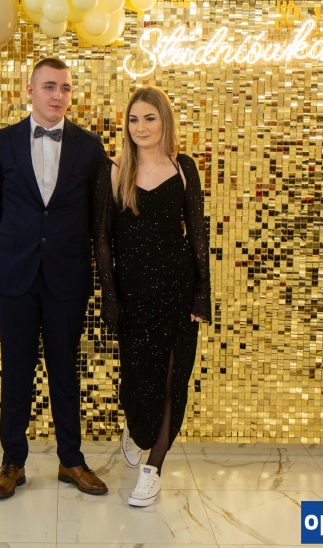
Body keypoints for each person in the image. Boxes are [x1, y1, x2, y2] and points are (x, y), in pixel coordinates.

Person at [0, 57, 108, 499]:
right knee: (16, 371)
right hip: (15, 275)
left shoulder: (89, 147)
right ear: (29, 91)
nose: (58, 95)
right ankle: (12, 462)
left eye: (65, 88)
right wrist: (22, 240)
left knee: (65, 371)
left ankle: (72, 460)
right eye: (49, 86)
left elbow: (98, 214)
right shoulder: (2, 142)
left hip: (67, 276)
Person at [93, 85, 212, 507]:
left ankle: (153, 468)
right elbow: (102, 241)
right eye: (133, 119)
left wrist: (203, 293)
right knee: (136, 382)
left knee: (172, 382)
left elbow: (197, 234)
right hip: (134, 295)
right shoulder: (114, 170)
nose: (140, 127)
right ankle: (135, 426)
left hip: (178, 291)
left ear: (164, 121)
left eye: (149, 118)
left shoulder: (183, 167)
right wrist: (110, 296)